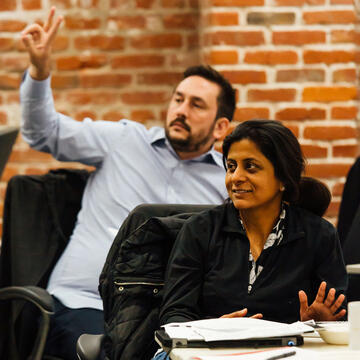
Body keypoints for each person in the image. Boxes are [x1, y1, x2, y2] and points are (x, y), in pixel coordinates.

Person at [19, 7, 236, 360]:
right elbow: (45, 133)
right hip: (85, 303)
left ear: (221, 127)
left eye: (197, 105)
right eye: (178, 99)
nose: (181, 110)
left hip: (171, 318)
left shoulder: (227, 183)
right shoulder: (123, 141)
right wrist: (40, 72)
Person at [155, 120, 347, 358]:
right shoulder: (200, 230)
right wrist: (212, 329)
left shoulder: (319, 235)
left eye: (251, 167)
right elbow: (174, 314)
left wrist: (319, 324)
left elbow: (340, 317)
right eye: (231, 166)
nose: (236, 177)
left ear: (283, 179)